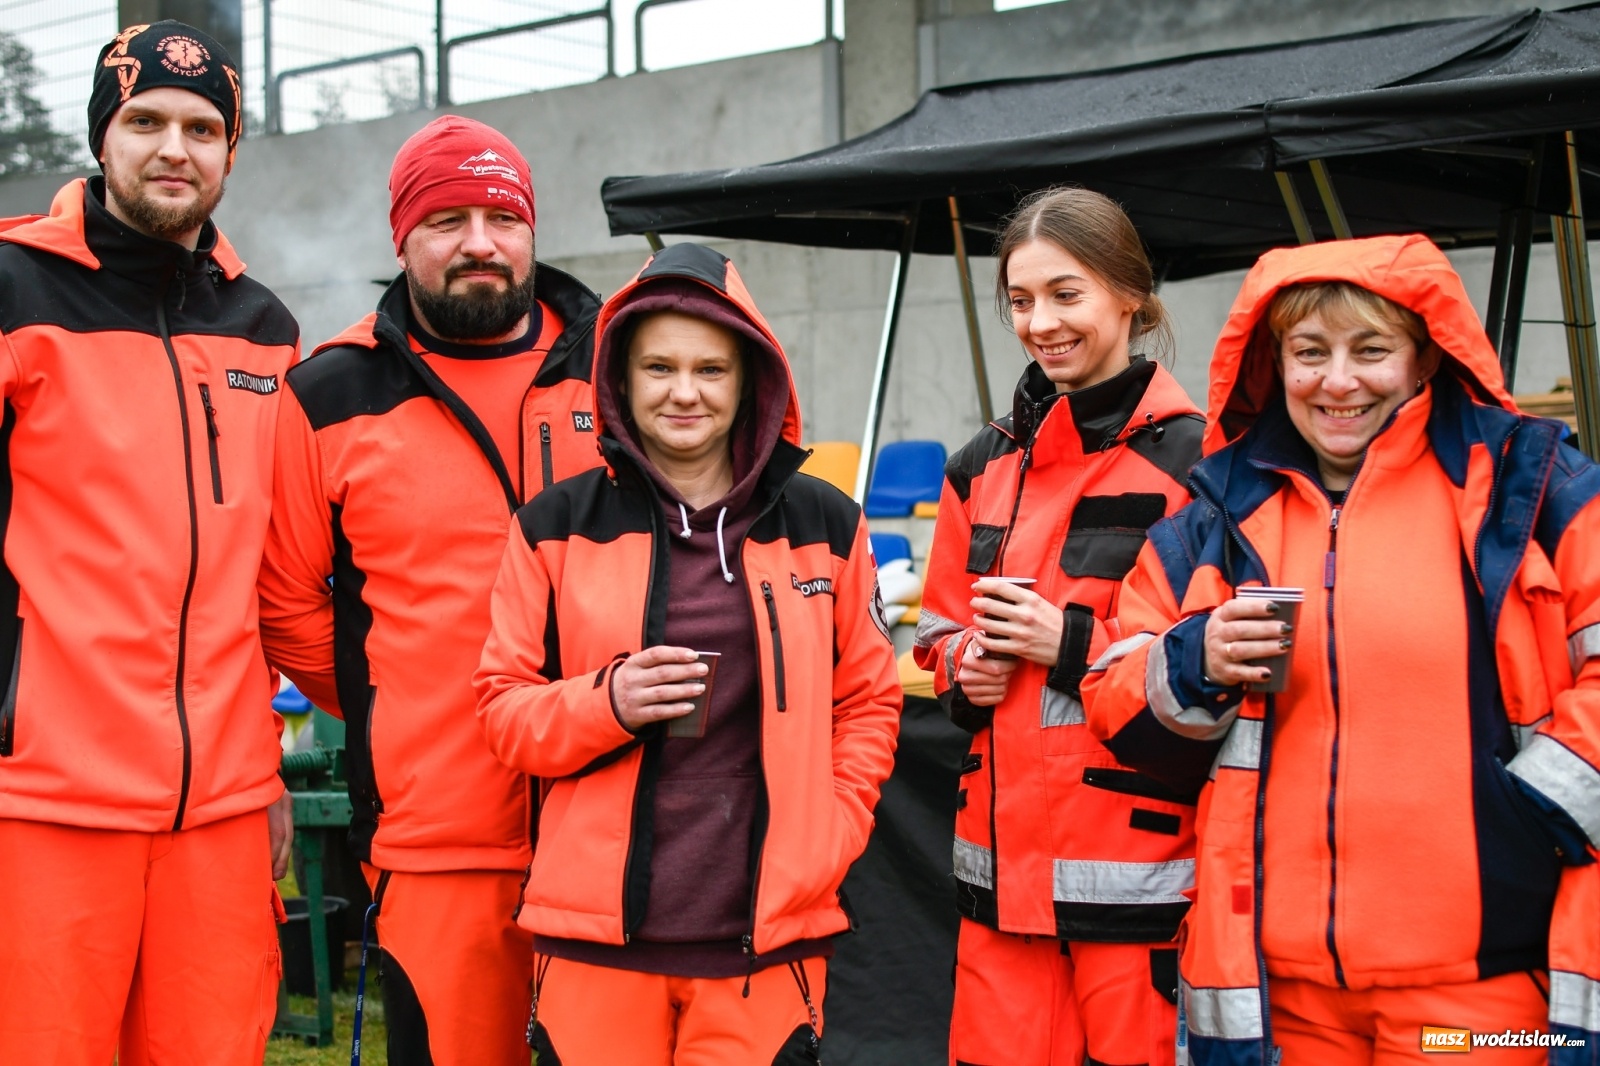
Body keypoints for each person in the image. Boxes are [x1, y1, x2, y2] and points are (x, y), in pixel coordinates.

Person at [1082, 234, 1600, 1064]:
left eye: (1371, 350)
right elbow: (1112, 696)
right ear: (1273, 361)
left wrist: (1534, 814)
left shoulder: (1528, 487)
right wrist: (1195, 659)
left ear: (1426, 356)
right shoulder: (1215, 518)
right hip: (1278, 996)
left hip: (1473, 998)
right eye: (1309, 352)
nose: (1338, 381)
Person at [474, 242, 901, 1065]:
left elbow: (869, 701)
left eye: (710, 368)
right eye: (658, 367)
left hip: (765, 945)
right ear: (620, 381)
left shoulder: (827, 524)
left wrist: (831, 831)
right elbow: (501, 711)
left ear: (750, 381)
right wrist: (608, 702)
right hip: (594, 944)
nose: (684, 392)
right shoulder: (554, 525)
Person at [257, 115, 602, 1065]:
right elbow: (286, 601)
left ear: (535, 230)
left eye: (502, 217)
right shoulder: (328, 392)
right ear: (400, 237)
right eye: (447, 221)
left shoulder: (623, 367)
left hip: (621, 821)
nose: (480, 245)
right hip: (439, 840)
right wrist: (397, 705)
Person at [0, 21, 300, 1065]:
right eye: (146, 122)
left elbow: (275, 575)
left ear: (231, 150)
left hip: (219, 810)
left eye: (203, 127)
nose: (175, 147)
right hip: (42, 799)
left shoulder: (264, 326)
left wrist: (264, 772)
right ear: (103, 135)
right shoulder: (12, 292)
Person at [913, 186, 1205, 1066]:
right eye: (1021, 300)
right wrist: (965, 664)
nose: (1040, 321)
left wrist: (1068, 645)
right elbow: (934, 635)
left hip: (1142, 882)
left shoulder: (1202, 460)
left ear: (1130, 296)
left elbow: (1216, 661)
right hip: (999, 883)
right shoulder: (980, 464)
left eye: (1065, 294)